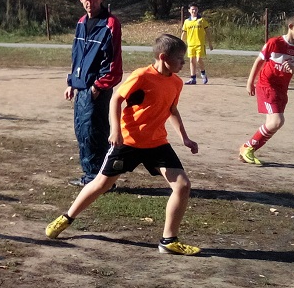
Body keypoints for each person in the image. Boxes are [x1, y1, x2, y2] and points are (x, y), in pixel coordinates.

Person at [46, 33, 200, 256]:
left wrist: (185, 137)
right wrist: (116, 131)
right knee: (101, 184)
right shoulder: (142, 76)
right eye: (180, 59)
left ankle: (168, 240)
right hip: (128, 141)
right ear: (163, 57)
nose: (183, 64)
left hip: (157, 143)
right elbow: (116, 99)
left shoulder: (176, 83)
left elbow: (172, 110)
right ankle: (67, 217)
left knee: (183, 185)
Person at [64, 0, 123, 187]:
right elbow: (77, 55)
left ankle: (101, 180)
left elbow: (113, 63)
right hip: (82, 87)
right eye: (86, 0)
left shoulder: (110, 24)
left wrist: (98, 86)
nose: (90, 3)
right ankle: (91, 176)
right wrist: (72, 82)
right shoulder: (81, 23)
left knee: (95, 133)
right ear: (81, 0)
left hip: (97, 89)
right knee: (82, 131)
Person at [238, 12, 294, 166]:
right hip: (266, 85)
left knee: (274, 122)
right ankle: (248, 147)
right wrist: (250, 82)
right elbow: (259, 61)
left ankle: (248, 148)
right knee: (277, 121)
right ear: (290, 26)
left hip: (282, 89)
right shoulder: (274, 43)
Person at [180, 3, 214, 84]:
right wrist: (180, 43)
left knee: (198, 59)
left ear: (197, 10)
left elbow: (207, 31)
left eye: (195, 9)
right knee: (192, 60)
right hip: (191, 44)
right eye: (192, 9)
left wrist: (210, 43)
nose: (194, 11)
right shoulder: (187, 21)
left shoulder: (201, 20)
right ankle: (193, 78)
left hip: (200, 43)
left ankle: (203, 73)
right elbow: (184, 33)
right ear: (189, 10)